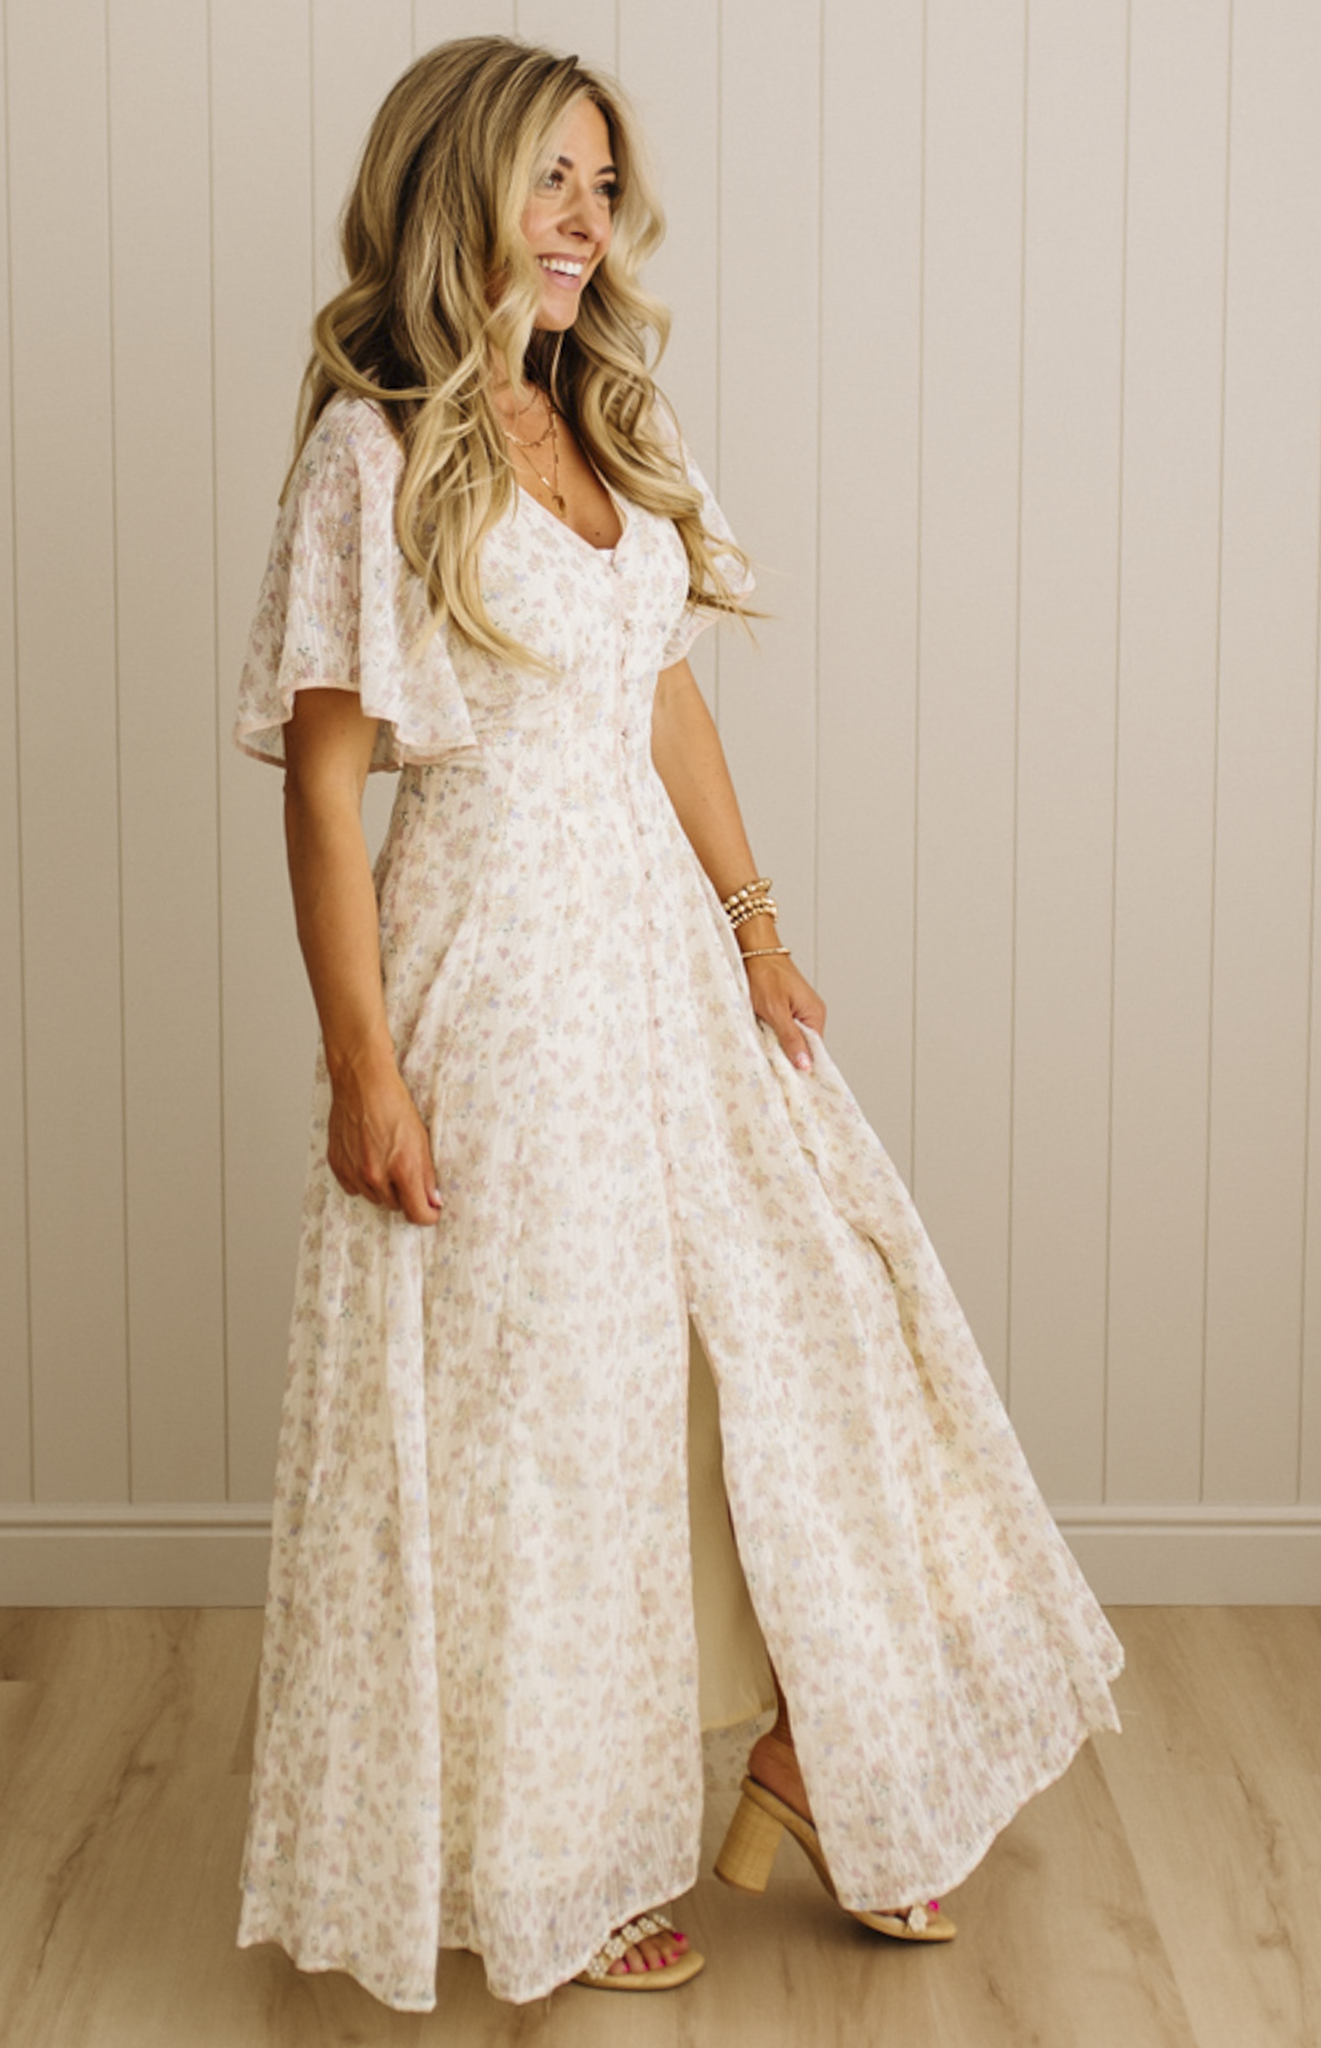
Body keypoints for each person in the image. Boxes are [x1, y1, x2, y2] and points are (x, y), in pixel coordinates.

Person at [233, 34, 1123, 2014]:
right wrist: (362, 1066)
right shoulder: (372, 452)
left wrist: (756, 921)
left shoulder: (615, 426)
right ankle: (562, 1853)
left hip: (657, 959)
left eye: (599, 185)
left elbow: (664, 699)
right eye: (549, 180)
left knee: (814, 1331)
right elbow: (321, 786)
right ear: (452, 188)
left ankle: (824, 1746)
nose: (582, 223)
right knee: (556, 1416)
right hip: (497, 979)